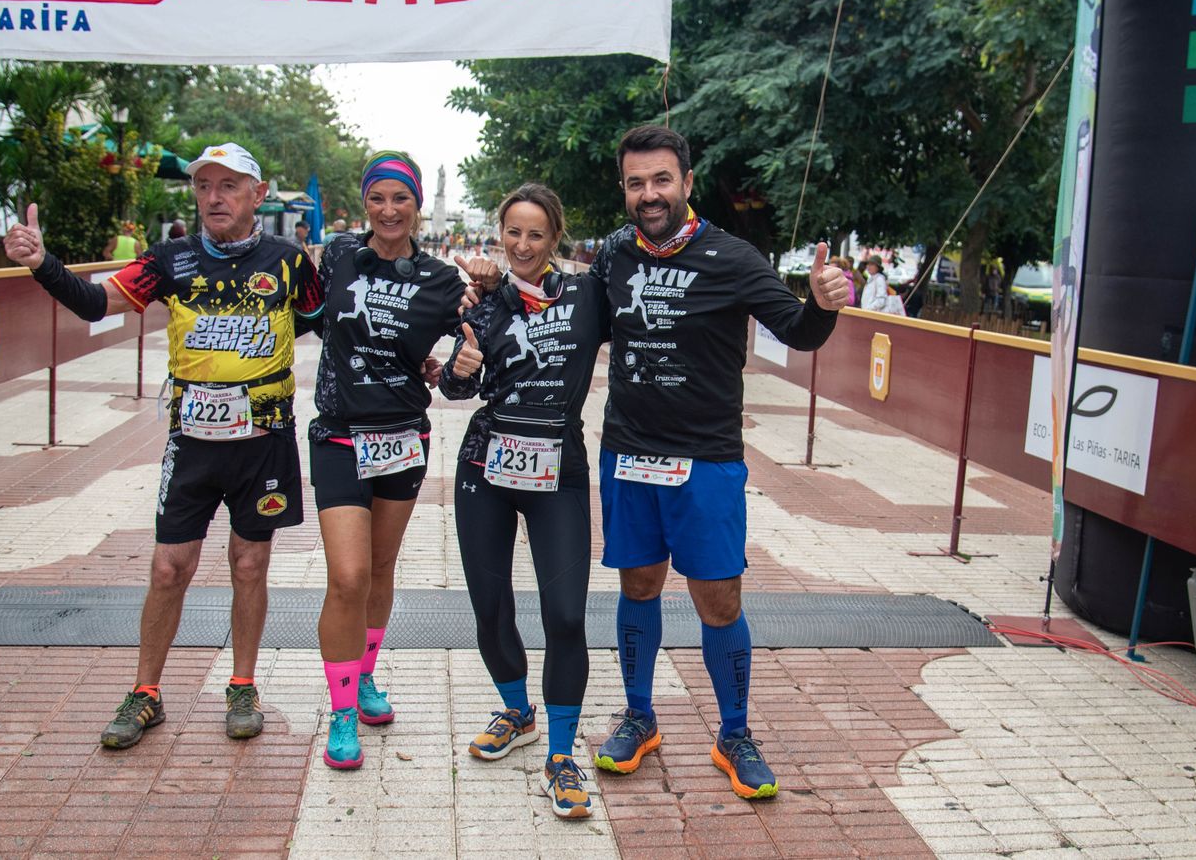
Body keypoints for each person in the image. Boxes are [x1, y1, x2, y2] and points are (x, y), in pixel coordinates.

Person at [3, 142, 325, 749]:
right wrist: (43, 263)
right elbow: (99, 304)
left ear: (257, 195)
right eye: (204, 186)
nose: (213, 198)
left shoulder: (289, 261)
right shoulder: (170, 258)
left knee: (250, 565)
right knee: (168, 566)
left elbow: (326, 318)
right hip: (194, 442)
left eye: (229, 186)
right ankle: (145, 692)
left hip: (264, 442)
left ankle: (242, 685)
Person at [587, 125, 850, 800]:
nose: (650, 194)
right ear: (625, 190)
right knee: (638, 586)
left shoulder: (732, 257)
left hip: (704, 461)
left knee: (718, 598)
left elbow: (795, 329)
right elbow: (572, 328)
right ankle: (639, 717)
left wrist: (821, 305)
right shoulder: (614, 256)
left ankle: (734, 732)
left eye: (661, 180)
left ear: (687, 183)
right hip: (628, 455)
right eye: (637, 183)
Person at [305, 150, 491, 770]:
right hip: (338, 433)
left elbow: (472, 361)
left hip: (404, 437)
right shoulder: (335, 255)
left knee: (381, 568)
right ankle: (339, 711)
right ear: (366, 202)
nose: (389, 210)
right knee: (348, 576)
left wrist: (461, 368)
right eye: (378, 198)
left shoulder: (441, 280)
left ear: (417, 206)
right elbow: (304, 315)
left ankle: (365, 679)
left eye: (401, 199)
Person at [439, 183, 609, 819]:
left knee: (565, 616)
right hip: (486, 465)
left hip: (558, 467)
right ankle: (516, 709)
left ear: (555, 237)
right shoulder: (483, 302)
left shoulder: (588, 295)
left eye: (536, 234)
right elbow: (461, 389)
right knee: (491, 609)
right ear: (500, 233)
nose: (523, 245)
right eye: (513, 232)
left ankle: (561, 757)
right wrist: (459, 369)